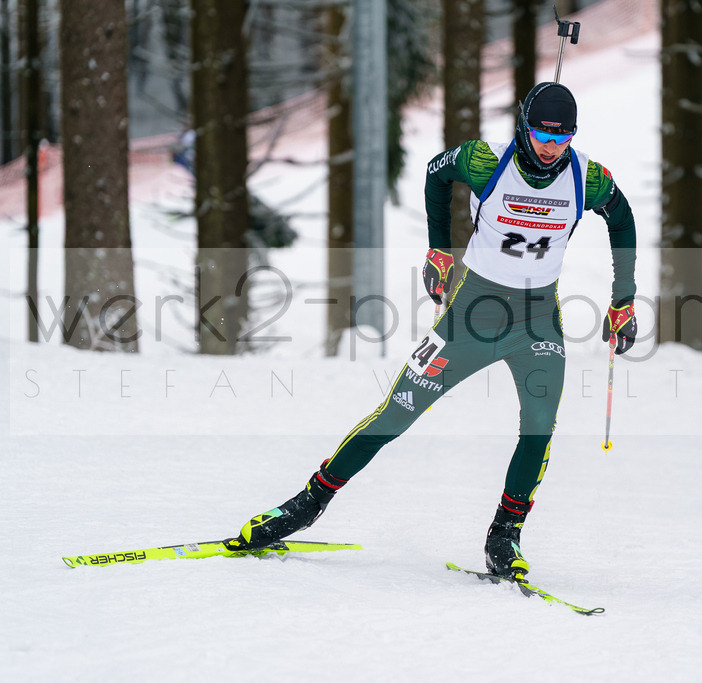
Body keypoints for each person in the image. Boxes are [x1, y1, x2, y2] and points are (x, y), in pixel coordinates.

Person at [228, 82, 639, 579]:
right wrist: (438, 249)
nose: (552, 146)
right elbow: (435, 175)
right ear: (524, 127)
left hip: (538, 322)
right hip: (474, 312)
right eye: (542, 133)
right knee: (397, 412)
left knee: (538, 428)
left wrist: (623, 299)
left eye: (563, 136)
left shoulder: (585, 177)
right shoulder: (486, 160)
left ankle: (503, 537)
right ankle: (308, 502)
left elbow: (622, 217)